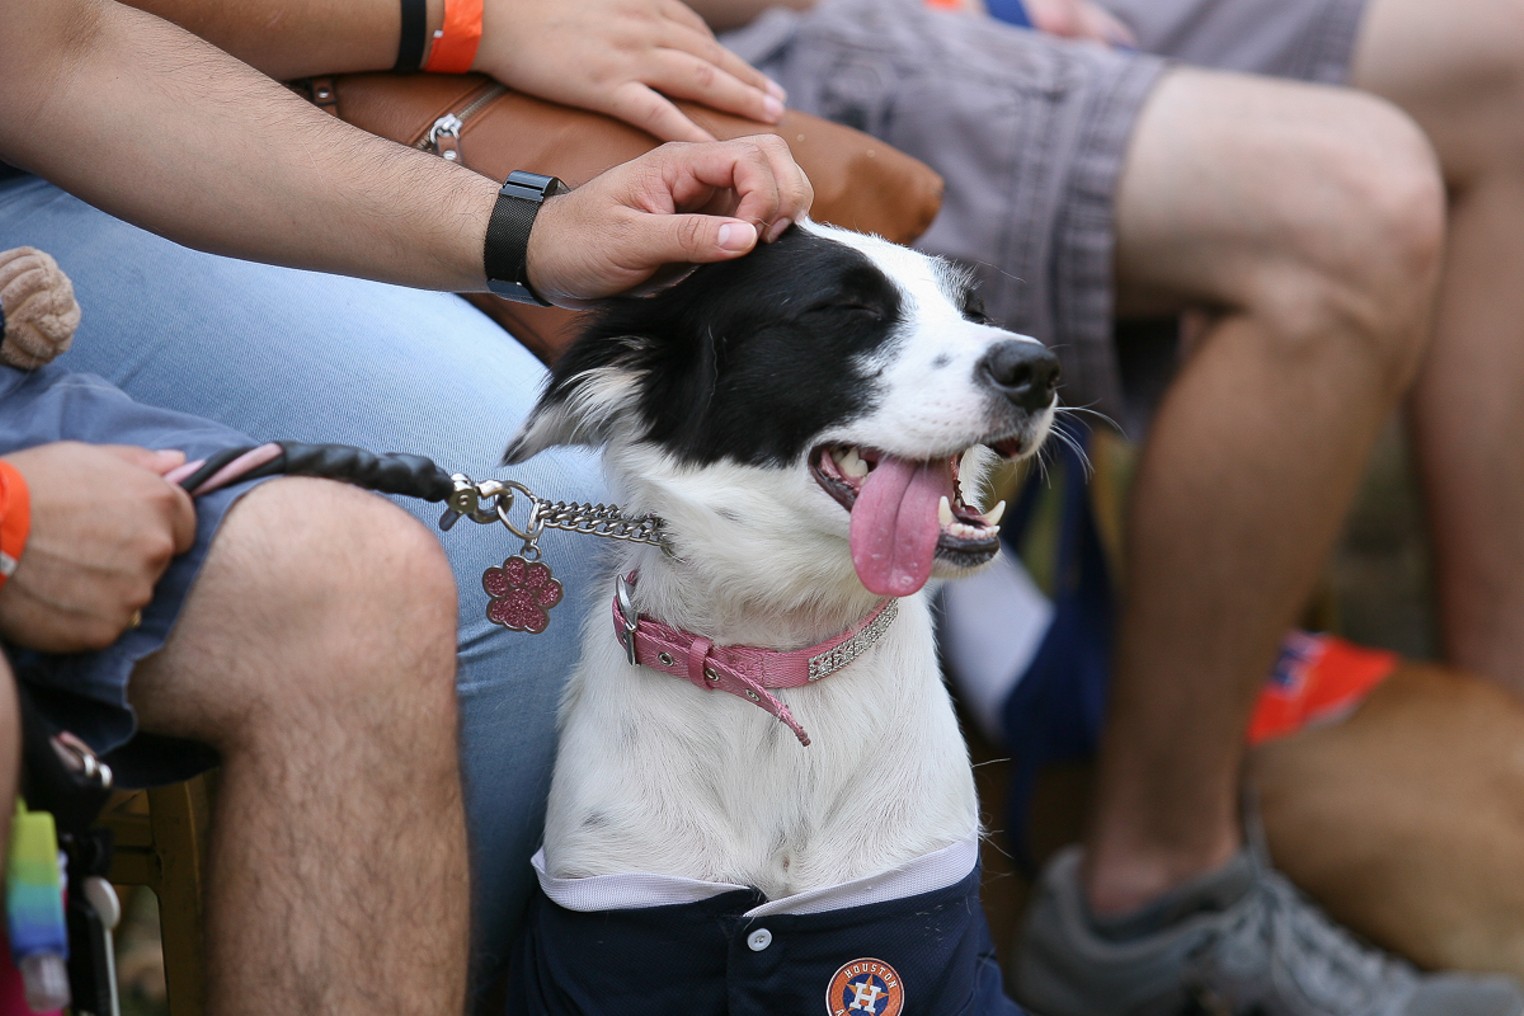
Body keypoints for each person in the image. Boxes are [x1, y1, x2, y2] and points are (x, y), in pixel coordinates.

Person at [691, 0, 1524, 1013]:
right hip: (742, 37)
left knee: (1502, 59)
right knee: (1354, 198)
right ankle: (1154, 894)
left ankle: (1502, 718)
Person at [0, 0, 812, 1010]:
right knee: (545, 533)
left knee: (496, 542)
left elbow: (59, 47)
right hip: (100, 189)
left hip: (108, 150)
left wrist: (532, 230)